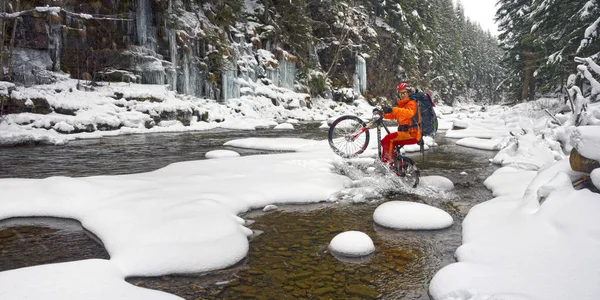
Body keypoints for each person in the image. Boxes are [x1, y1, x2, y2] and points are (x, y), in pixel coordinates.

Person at [380, 82, 422, 165]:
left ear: (409, 93)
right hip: (405, 133)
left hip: (412, 134)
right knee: (387, 142)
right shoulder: (402, 105)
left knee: (388, 139)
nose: (402, 95)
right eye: (400, 93)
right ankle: (395, 165)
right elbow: (393, 115)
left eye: (404, 93)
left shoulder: (412, 103)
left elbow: (409, 113)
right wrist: (382, 114)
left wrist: (393, 109)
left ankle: (387, 163)